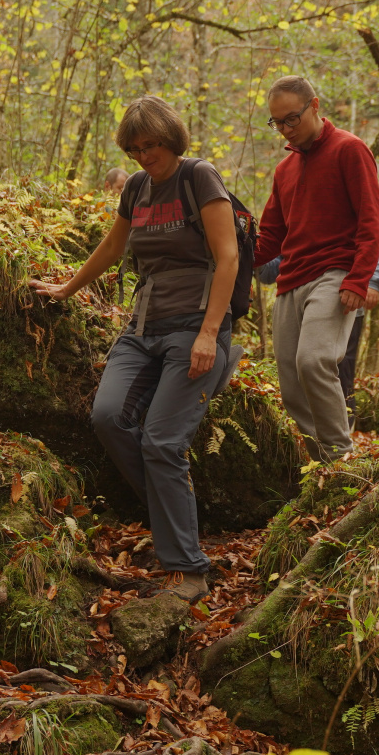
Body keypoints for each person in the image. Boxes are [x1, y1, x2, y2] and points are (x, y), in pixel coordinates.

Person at [30, 96, 239, 603]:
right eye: (137, 148)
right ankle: (174, 522)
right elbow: (111, 247)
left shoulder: (199, 176)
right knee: (107, 418)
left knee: (163, 442)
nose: (146, 156)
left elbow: (228, 256)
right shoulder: (139, 189)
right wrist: (66, 289)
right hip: (142, 327)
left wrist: (210, 333)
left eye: (154, 145)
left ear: (172, 139)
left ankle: (189, 569)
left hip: (194, 326)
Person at [252, 75, 379, 460]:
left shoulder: (350, 149)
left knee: (314, 360)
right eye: (277, 123)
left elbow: (371, 221)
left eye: (292, 119)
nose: (286, 131)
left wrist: (360, 280)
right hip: (291, 281)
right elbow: (271, 236)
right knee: (291, 385)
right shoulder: (284, 169)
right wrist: (233, 258)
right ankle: (325, 468)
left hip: (335, 274)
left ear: (315, 105)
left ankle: (344, 461)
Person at [256, 252, 379, 420]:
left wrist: (374, 282)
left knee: (338, 370)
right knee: (298, 370)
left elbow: (370, 239)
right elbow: (271, 271)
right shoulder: (292, 228)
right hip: (297, 301)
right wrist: (253, 251)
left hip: (345, 299)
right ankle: (313, 435)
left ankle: (344, 431)